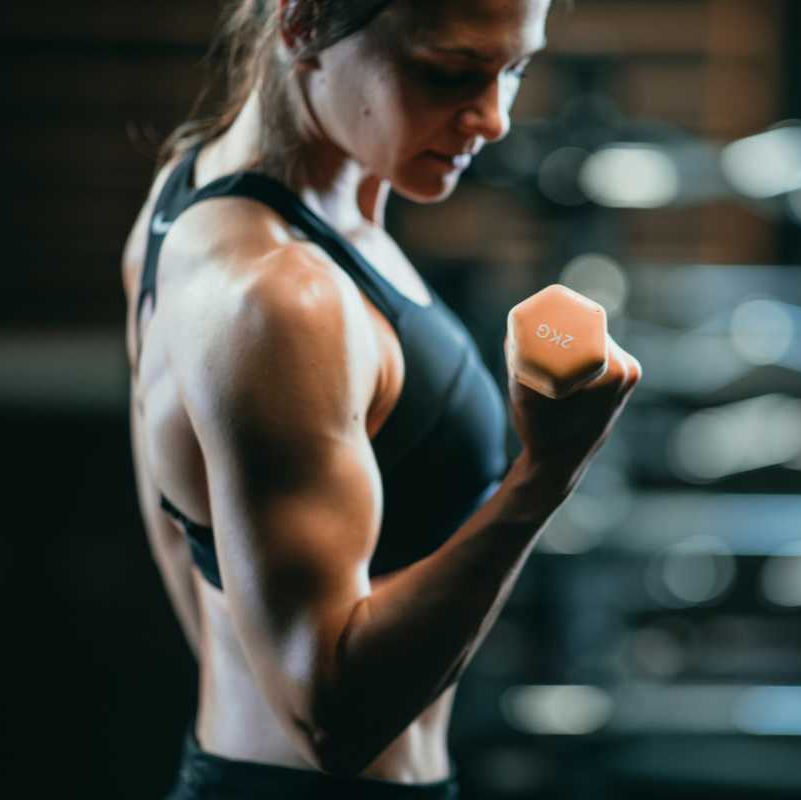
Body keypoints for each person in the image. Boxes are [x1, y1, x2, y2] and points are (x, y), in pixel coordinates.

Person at [120, 0, 641, 796]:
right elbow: (333, 722)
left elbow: (174, 529)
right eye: (451, 74)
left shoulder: (186, 194)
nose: (495, 119)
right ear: (302, 27)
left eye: (516, 69)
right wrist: (547, 474)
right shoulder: (283, 300)